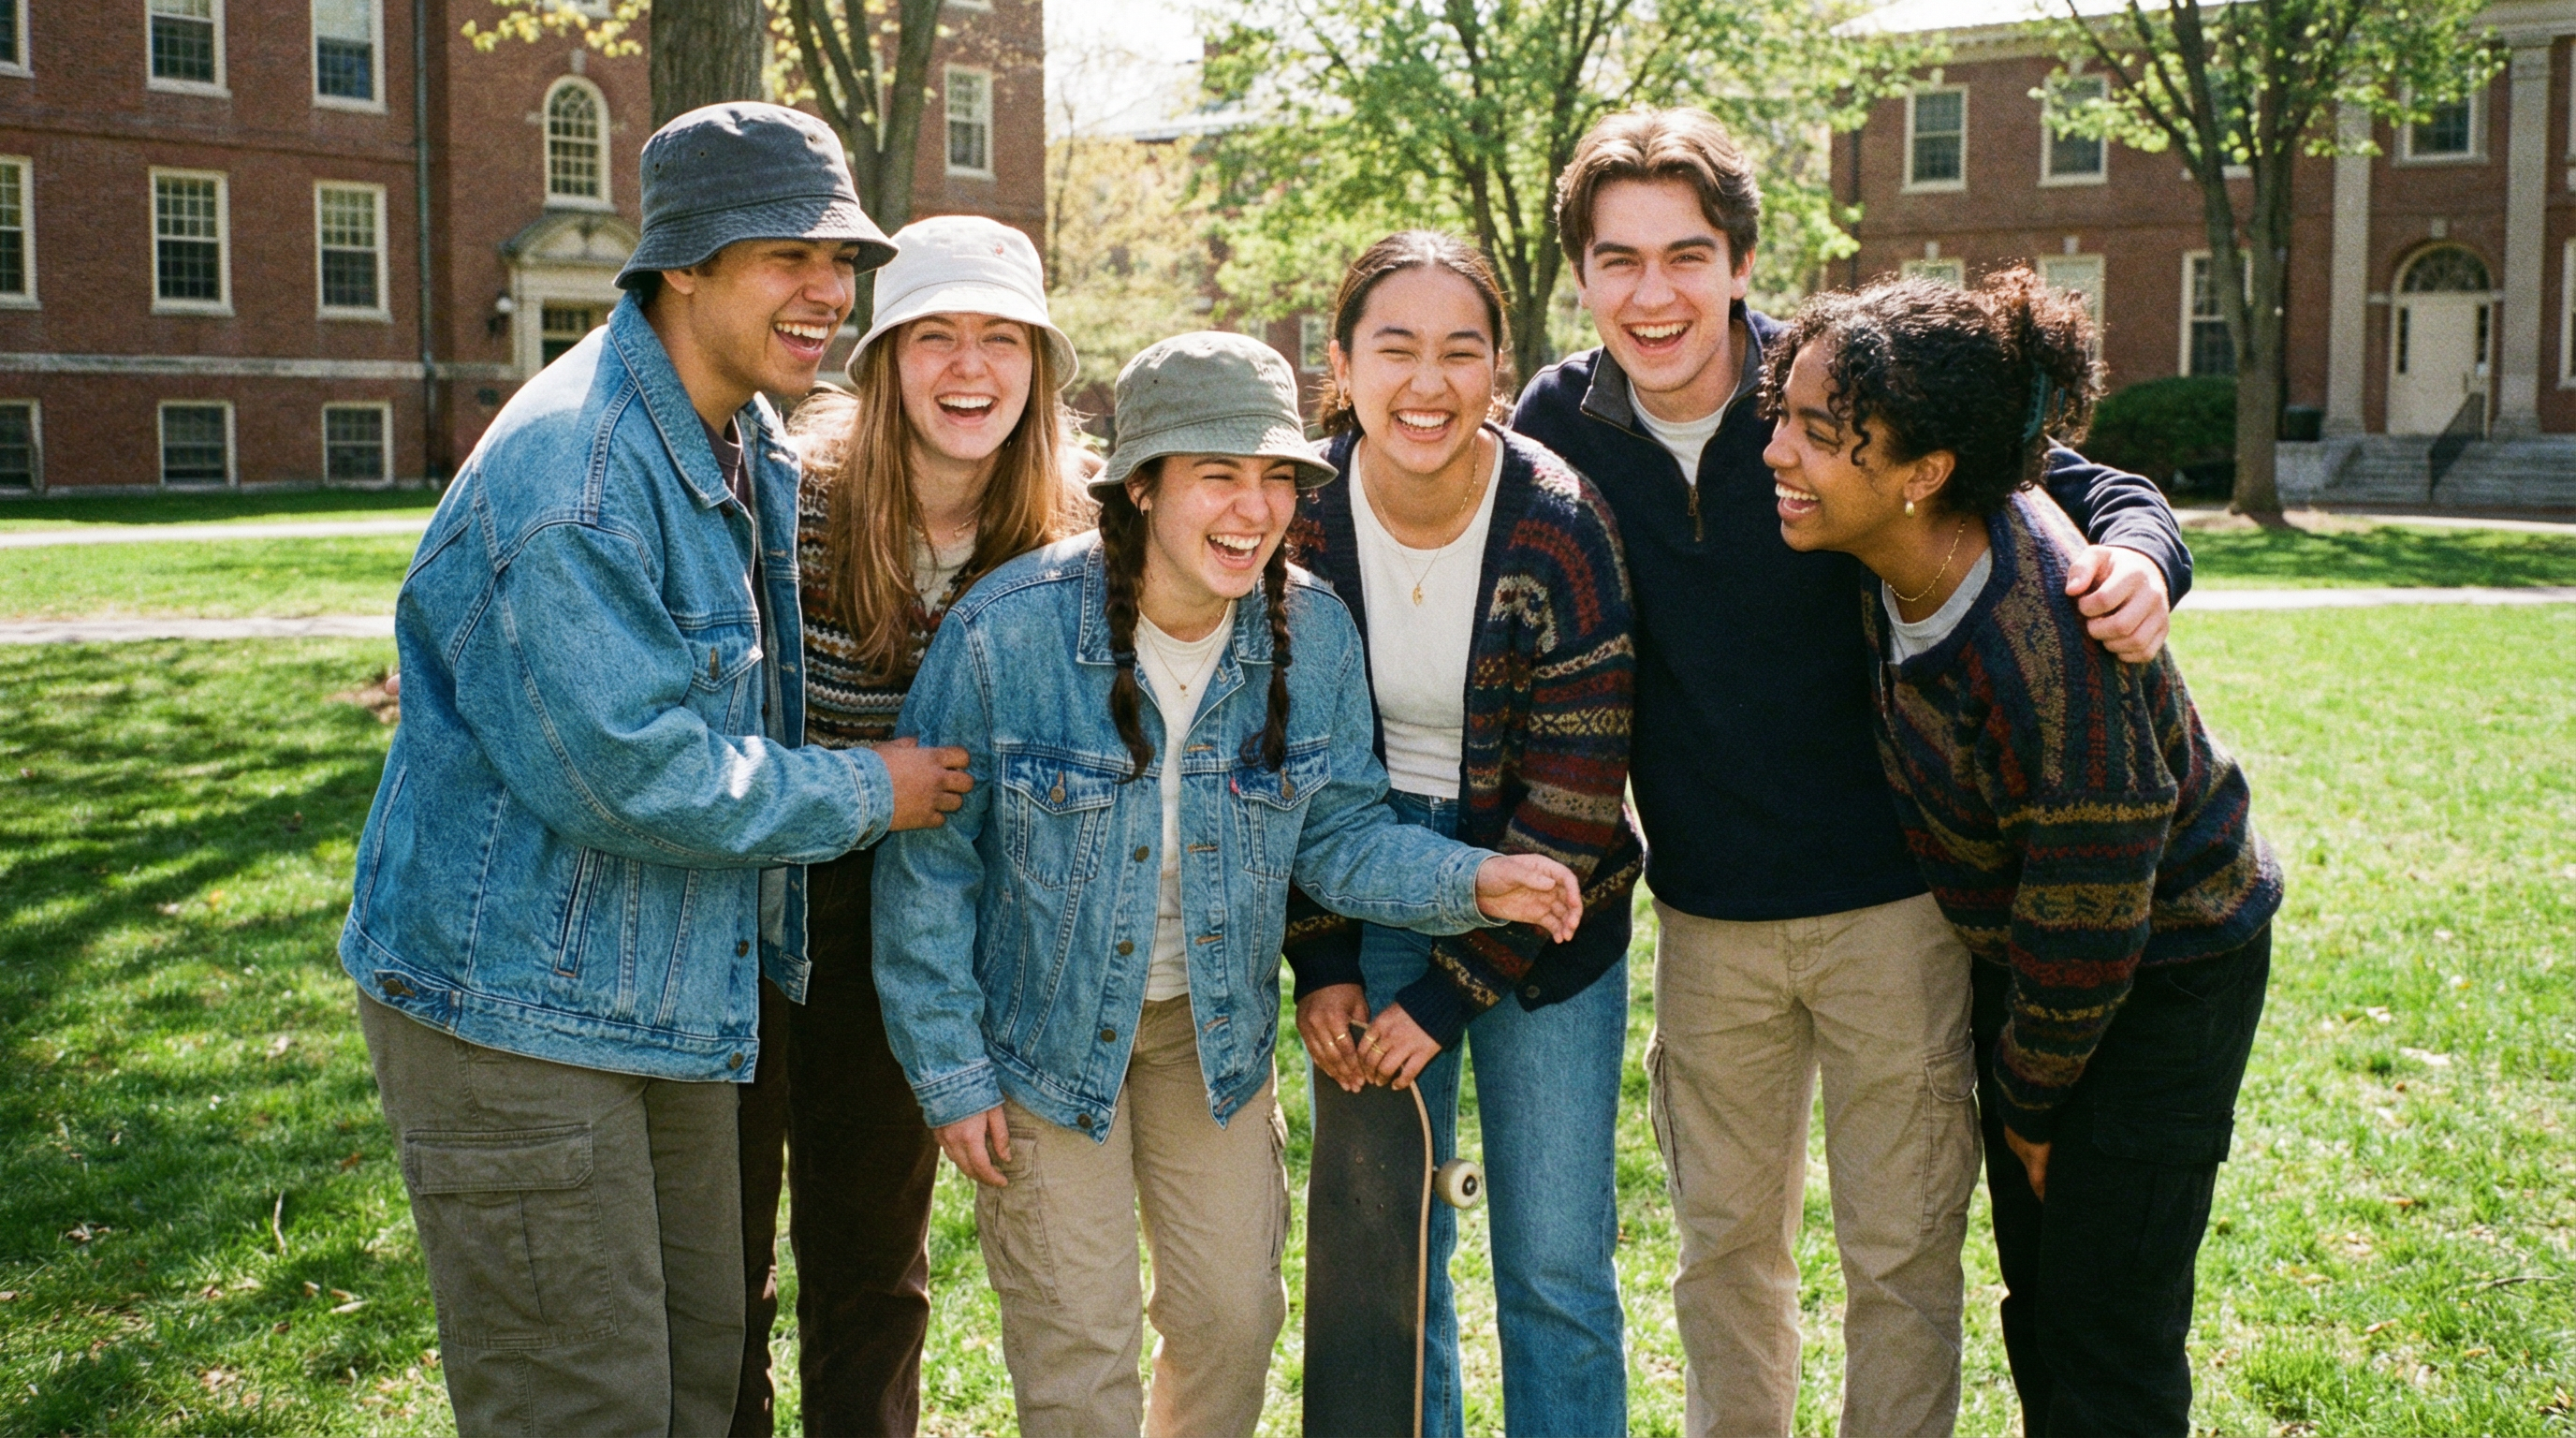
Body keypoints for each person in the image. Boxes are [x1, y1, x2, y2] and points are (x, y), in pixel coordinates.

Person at [1508, 106, 2194, 1438]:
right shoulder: (1557, 422)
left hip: (1899, 907)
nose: (1653, 295)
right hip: (1709, 920)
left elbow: (2082, 481)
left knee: (1901, 1254)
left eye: (1686, 255)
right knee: (1723, 1256)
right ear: (1581, 276)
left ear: (1741, 262)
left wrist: (2144, 559)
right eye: (1618, 260)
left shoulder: (1838, 387)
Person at [337, 103, 973, 1436]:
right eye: (788, 256)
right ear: (682, 262)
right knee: (586, 1404)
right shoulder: (574, 478)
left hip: (667, 993)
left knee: (693, 1389)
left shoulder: (740, 436)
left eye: (843, 261)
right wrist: (877, 791)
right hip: (515, 1010)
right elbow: (634, 776)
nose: (829, 291)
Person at [871, 330, 1588, 1438]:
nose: (1253, 510)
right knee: (1080, 1351)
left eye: (1275, 478)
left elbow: (1339, 836)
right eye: (1218, 475)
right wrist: (951, 1070)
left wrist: (1478, 880)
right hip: (1044, 1043)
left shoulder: (1310, 632)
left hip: (1209, 1038)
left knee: (1233, 1322)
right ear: (1142, 487)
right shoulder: (1005, 634)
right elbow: (928, 869)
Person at [1760, 267, 2280, 1437]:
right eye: (1782, 417)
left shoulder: (2046, 640)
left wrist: (2031, 1108)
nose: (1776, 454)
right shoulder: (1909, 532)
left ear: (1923, 474)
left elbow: (2091, 910)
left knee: (2106, 1337)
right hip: (2045, 957)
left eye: (1818, 435)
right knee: (2044, 1303)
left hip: (2165, 967)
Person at [730, 214, 1090, 1437]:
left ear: (1039, 368)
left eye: (1002, 338)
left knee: (872, 1262)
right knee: (721, 1262)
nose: (968, 367)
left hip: (920, 926)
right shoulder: (786, 508)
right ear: (884, 362)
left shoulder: (1064, 544)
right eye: (935, 336)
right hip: (751, 907)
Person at [1281, 230, 1640, 1437]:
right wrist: (1325, 962)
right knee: (1384, 1249)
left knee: (1555, 1265)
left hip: (1550, 899)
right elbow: (1284, 771)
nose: (1427, 384)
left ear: (1500, 367)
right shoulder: (1301, 521)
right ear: (1341, 365)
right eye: (1395, 349)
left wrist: (1445, 999)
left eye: (1460, 351)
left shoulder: (1559, 525)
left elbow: (1576, 804)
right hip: (1365, 875)